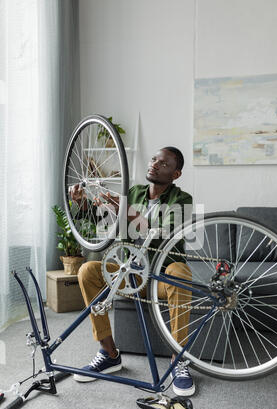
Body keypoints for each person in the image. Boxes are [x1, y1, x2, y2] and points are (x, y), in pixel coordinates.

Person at [70, 147, 195, 396]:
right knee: (88, 271)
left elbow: (164, 235)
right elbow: (101, 220)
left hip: (161, 275)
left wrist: (127, 210)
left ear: (176, 174)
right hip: (130, 274)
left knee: (180, 271)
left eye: (164, 164)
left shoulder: (182, 200)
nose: (155, 165)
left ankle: (178, 360)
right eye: (154, 160)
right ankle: (109, 353)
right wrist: (82, 203)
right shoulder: (133, 192)